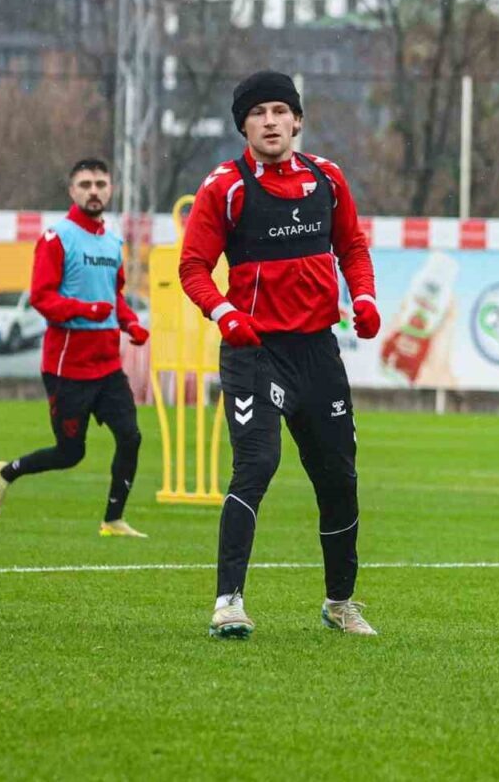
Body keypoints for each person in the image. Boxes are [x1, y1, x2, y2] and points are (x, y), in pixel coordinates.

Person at [179, 71, 381, 639]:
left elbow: (352, 246)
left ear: (297, 120)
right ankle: (228, 603)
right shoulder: (226, 187)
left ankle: (340, 603)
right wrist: (226, 314)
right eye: (257, 113)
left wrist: (364, 298)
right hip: (255, 353)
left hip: (318, 353)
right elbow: (193, 268)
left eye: (279, 111)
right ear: (243, 126)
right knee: (256, 466)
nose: (270, 121)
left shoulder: (327, 179)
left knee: (338, 478)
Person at [0, 158, 150, 537]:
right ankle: (6, 472)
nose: (94, 191)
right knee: (70, 453)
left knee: (131, 436)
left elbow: (114, 297)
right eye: (86, 184)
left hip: (107, 366)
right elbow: (42, 298)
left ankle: (113, 520)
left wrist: (131, 323)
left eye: (100, 184)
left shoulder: (113, 242)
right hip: (67, 368)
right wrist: (86, 310)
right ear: (72, 191)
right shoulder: (56, 238)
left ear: (110, 189)